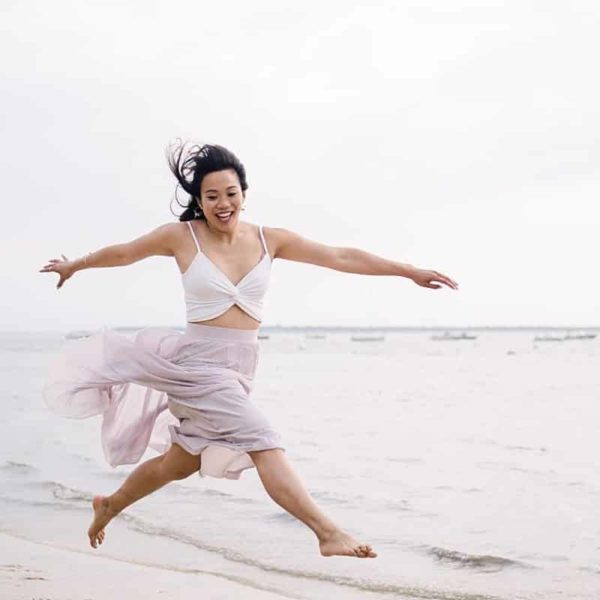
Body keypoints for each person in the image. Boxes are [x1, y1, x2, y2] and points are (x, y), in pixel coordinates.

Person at [39, 141, 458, 559]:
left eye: (231, 193)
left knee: (180, 463)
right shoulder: (182, 237)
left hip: (240, 367)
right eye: (212, 196)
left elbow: (340, 256)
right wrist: (75, 264)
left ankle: (109, 505)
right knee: (264, 440)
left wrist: (408, 272)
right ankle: (327, 533)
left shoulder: (268, 239)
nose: (223, 204)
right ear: (199, 201)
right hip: (198, 366)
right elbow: (125, 253)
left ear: (244, 193)